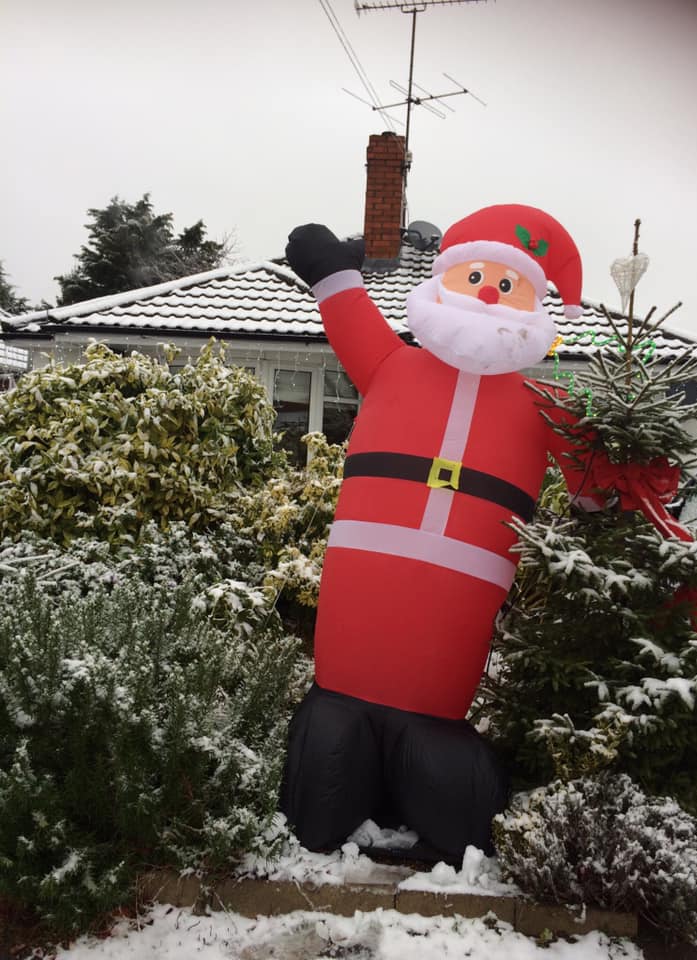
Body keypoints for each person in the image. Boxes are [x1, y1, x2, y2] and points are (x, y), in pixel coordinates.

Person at [280, 204, 599, 862]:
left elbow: (599, 481)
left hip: (443, 674)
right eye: (477, 276)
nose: (488, 293)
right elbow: (348, 313)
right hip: (349, 652)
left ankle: (431, 791)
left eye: (509, 286)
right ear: (442, 281)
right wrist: (333, 274)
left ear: (535, 309)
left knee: (448, 779)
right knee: (329, 747)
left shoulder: (545, 410)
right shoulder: (390, 367)